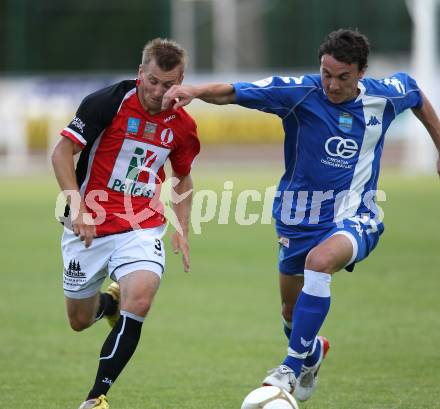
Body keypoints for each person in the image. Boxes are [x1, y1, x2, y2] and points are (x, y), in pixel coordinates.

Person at [162, 29, 440, 402]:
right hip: (297, 217)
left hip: (356, 216)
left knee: (319, 262)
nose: (332, 84)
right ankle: (311, 352)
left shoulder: (383, 95)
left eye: (343, 77)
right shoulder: (300, 93)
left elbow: (416, 93)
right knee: (291, 312)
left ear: (361, 72)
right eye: (326, 73)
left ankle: (289, 370)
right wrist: (194, 91)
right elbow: (234, 92)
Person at [52, 38, 200, 409]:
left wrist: (181, 228)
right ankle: (108, 304)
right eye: (152, 81)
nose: (158, 92)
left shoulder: (182, 126)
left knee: (142, 297)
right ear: (140, 73)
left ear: (181, 82)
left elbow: (182, 179)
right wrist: (78, 207)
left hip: (141, 224)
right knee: (79, 320)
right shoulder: (108, 102)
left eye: (169, 85)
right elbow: (62, 153)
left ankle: (96, 398)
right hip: (89, 225)